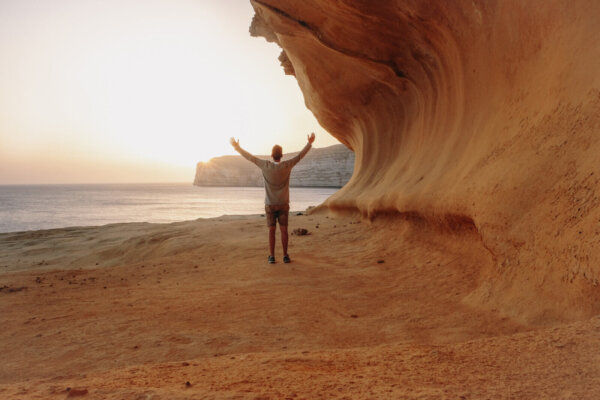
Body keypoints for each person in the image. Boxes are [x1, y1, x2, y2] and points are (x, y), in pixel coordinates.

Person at [230, 133, 315, 264]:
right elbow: (299, 157)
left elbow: (250, 158)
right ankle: (285, 255)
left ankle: (272, 256)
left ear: (271, 154)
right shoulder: (287, 165)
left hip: (270, 204)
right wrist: (309, 143)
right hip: (283, 203)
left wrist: (237, 147)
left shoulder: (265, 165)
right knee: (284, 230)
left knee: (271, 231)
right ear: (281, 155)